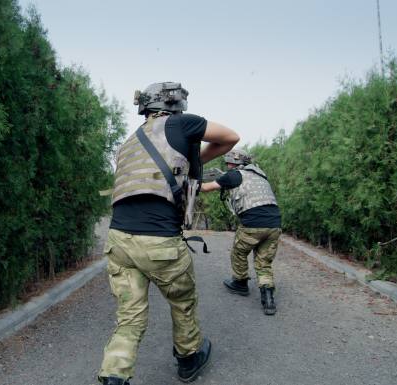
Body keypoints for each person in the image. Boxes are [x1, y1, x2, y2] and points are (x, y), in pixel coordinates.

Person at [98, 82, 239, 385]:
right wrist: (197, 160)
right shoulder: (181, 124)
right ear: (174, 104)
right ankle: (188, 359)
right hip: (159, 242)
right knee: (182, 301)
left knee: (129, 318)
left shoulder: (128, 144)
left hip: (119, 241)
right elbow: (230, 137)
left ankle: (113, 376)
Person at [199, 149, 282, 315]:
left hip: (253, 224)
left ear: (235, 163)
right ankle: (268, 299)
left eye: (229, 163)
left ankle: (240, 283)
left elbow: (206, 187)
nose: (228, 165)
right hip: (275, 225)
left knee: (238, 252)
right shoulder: (260, 175)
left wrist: (187, 183)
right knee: (263, 262)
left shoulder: (234, 175)